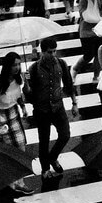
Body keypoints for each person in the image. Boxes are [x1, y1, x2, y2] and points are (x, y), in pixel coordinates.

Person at [27, 37, 79, 178]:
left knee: (65, 134)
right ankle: (45, 169)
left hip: (58, 106)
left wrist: (74, 104)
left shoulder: (61, 63)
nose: (53, 54)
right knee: (44, 140)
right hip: (41, 109)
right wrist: (26, 83)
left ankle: (53, 156)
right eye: (50, 52)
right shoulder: (32, 68)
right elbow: (28, 94)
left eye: (55, 51)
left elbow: (69, 84)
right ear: (42, 52)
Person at [0, 52, 33, 194]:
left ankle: (20, 182)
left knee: (20, 146)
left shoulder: (18, 79)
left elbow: (19, 96)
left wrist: (23, 107)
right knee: (7, 151)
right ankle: (11, 183)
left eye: (19, 64)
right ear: (7, 66)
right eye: (14, 65)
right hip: (1, 117)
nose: (17, 67)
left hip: (14, 114)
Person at [71, 0, 102, 81]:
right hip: (86, 32)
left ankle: (96, 76)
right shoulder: (83, 0)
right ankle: (75, 68)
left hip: (97, 30)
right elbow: (86, 17)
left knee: (98, 55)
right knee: (88, 56)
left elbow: (100, 11)